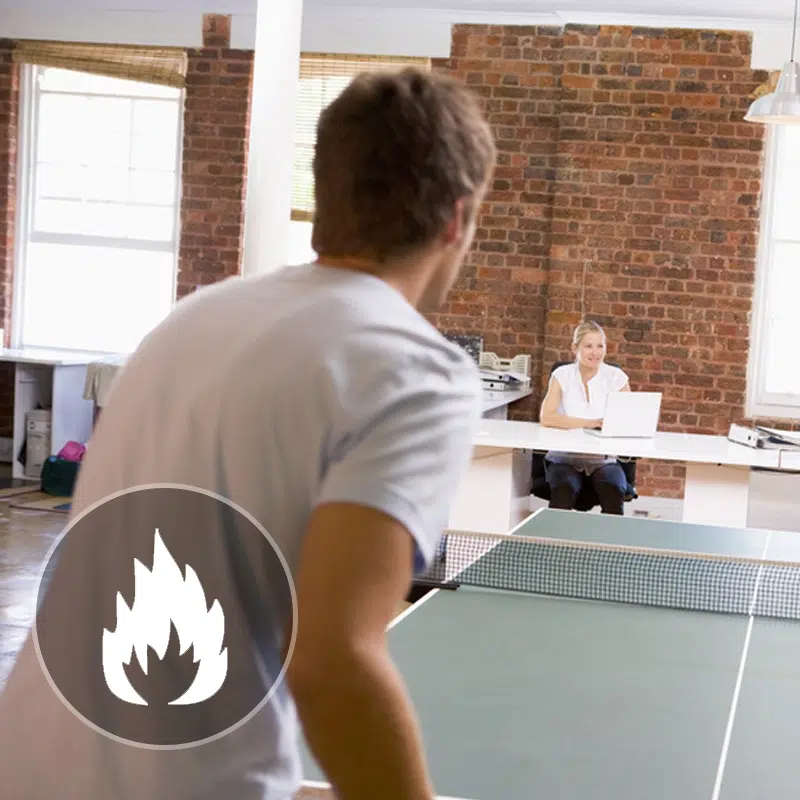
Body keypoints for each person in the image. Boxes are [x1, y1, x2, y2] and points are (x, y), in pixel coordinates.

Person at [0, 68, 495, 799]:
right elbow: (333, 663)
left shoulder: (192, 319)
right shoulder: (416, 372)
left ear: (327, 198)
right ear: (457, 219)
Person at [538, 320, 631, 515]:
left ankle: (609, 545)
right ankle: (554, 544)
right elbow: (547, 417)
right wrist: (590, 423)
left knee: (613, 490)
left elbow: (627, 421)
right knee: (564, 489)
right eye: (588, 346)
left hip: (603, 460)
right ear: (575, 348)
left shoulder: (616, 377)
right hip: (564, 458)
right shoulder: (561, 375)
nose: (595, 352)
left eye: (600, 346)